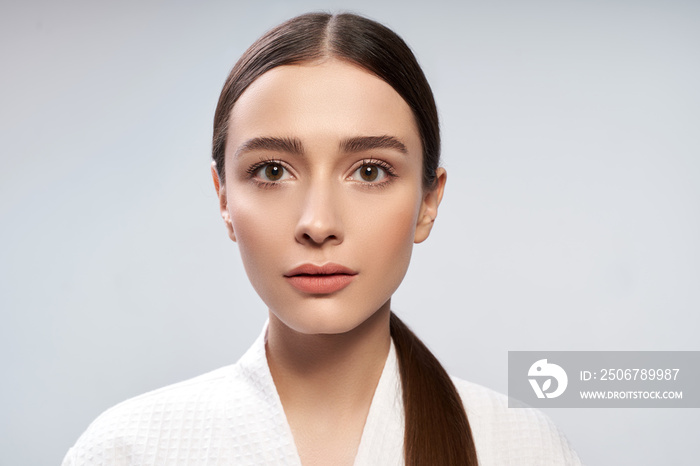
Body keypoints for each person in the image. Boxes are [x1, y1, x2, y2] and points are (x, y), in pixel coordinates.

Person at [62, 12, 582, 466]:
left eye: (371, 172)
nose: (317, 222)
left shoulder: (522, 450)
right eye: (271, 170)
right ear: (223, 198)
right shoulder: (125, 451)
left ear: (429, 201)